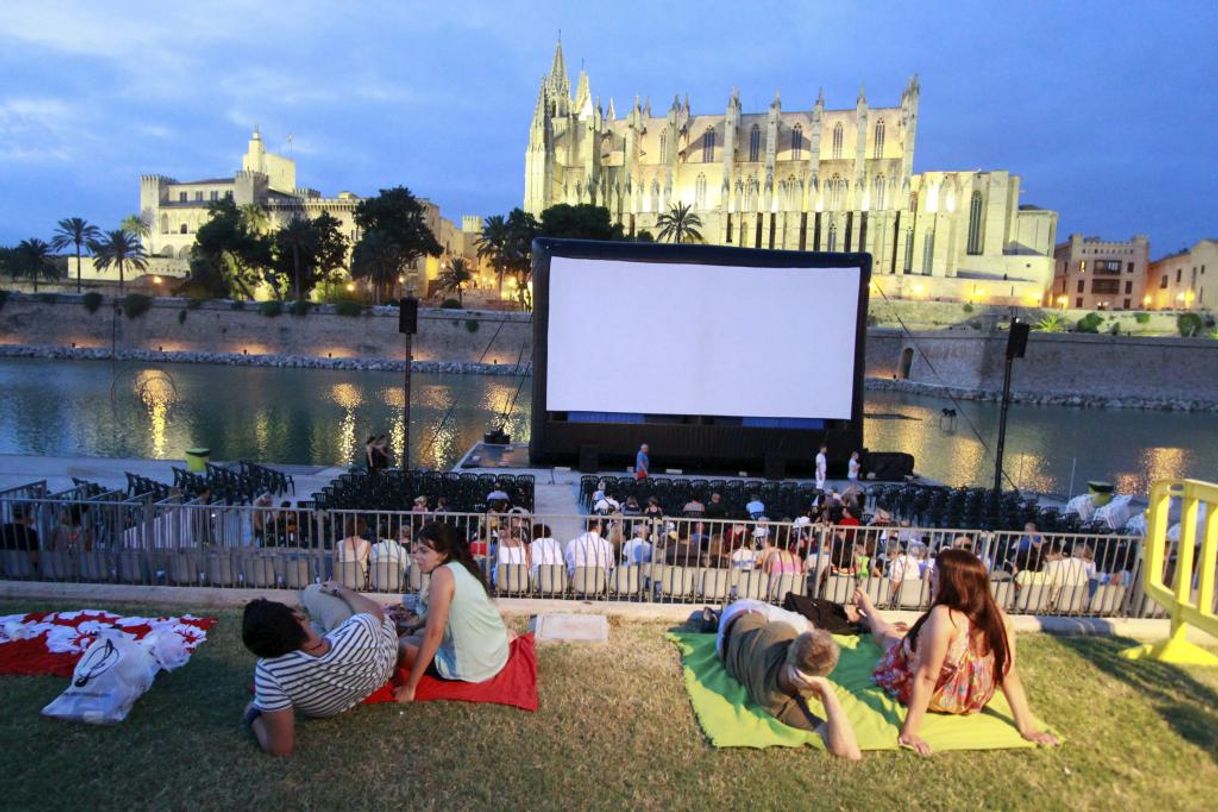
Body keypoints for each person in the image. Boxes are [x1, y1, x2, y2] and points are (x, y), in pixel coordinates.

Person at [856, 549, 1059, 756]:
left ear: (951, 583)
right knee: (898, 636)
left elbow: (927, 676)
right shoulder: (1000, 618)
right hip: (970, 700)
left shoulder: (945, 616)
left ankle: (869, 610)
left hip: (936, 694)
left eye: (934, 575)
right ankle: (869, 616)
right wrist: (1027, 727)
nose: (930, 579)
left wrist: (910, 732)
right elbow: (1009, 673)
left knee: (888, 637)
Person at [241, 581, 399, 756]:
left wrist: (253, 715)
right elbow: (375, 612)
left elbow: (281, 748)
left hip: (327, 708)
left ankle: (318, 623)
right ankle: (322, 601)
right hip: (383, 654)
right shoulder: (359, 629)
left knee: (318, 624)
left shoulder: (270, 671)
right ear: (299, 617)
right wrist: (341, 589)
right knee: (313, 591)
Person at [719, 601, 860, 760]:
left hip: (737, 617)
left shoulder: (782, 631)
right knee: (807, 624)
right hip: (739, 623)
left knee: (806, 624)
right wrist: (826, 690)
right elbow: (850, 752)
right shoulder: (784, 707)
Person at [396, 522, 511, 702]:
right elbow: (434, 619)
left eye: (424, 551)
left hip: (471, 666)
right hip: (494, 654)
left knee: (394, 650)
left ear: (443, 554)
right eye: (416, 550)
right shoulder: (461, 567)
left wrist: (410, 686)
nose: (416, 556)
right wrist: (411, 627)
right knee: (415, 634)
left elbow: (434, 633)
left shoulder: (441, 575)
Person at [0, 505, 39, 569]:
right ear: (28, 515)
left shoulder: (1, 529)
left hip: (4, 570)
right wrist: (29, 528)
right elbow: (34, 559)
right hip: (24, 572)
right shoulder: (31, 533)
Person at [334, 518, 371, 586]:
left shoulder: (339, 544)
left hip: (343, 580)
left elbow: (337, 562)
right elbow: (370, 561)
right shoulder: (367, 544)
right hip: (360, 581)